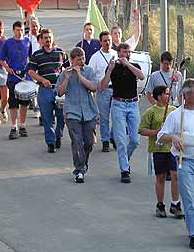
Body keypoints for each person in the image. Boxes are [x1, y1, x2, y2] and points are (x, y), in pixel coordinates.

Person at [157, 78, 194, 250]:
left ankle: (193, 219)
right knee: (189, 199)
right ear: (186, 96)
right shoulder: (176, 115)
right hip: (185, 162)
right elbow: (161, 136)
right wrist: (174, 137)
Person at [100, 43, 144, 183]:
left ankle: (126, 158)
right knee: (120, 139)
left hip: (132, 104)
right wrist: (110, 70)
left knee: (135, 139)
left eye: (129, 52)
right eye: (125, 52)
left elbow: (141, 77)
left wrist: (128, 64)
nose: (128, 54)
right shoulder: (113, 66)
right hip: (118, 104)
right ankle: (125, 170)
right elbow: (103, 86)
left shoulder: (135, 66)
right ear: (119, 53)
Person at [139, 85, 183, 218]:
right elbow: (142, 130)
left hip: (172, 149)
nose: (168, 96)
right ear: (159, 96)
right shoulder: (150, 112)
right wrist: (157, 132)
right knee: (161, 177)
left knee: (175, 176)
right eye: (166, 94)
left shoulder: (174, 110)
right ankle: (160, 204)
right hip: (158, 149)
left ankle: (176, 204)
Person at [56, 47, 98, 183]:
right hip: (72, 112)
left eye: (83, 58)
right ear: (72, 60)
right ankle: (79, 170)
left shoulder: (89, 71)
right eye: (78, 59)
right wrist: (67, 78)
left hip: (89, 112)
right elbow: (60, 92)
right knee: (77, 142)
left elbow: (93, 87)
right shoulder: (65, 73)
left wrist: (80, 75)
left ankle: (83, 163)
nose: (81, 61)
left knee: (89, 142)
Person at [28, 28, 69, 153]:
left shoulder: (61, 52)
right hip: (45, 90)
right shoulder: (36, 55)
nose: (48, 40)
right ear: (41, 40)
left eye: (49, 37)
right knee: (47, 118)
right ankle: (50, 143)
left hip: (59, 90)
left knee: (61, 116)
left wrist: (65, 82)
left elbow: (68, 69)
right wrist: (41, 79)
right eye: (45, 38)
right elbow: (31, 72)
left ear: (53, 38)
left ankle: (58, 136)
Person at [0, 21, 32, 140]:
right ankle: (14, 126)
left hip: (24, 77)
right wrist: (7, 68)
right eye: (17, 30)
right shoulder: (7, 43)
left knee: (24, 102)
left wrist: (30, 71)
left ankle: (23, 125)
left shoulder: (28, 41)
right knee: (13, 103)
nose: (20, 32)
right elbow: (0, 58)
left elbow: (31, 58)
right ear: (13, 30)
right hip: (12, 77)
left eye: (21, 30)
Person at [88, 31, 118, 152]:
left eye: (109, 40)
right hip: (103, 90)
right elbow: (91, 74)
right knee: (104, 117)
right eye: (105, 40)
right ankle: (105, 140)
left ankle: (114, 137)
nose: (107, 43)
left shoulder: (116, 54)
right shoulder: (95, 57)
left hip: (116, 89)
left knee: (117, 116)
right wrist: (95, 87)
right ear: (100, 42)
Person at [25, 16, 42, 123]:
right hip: (31, 66)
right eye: (33, 26)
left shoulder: (42, 38)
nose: (35, 28)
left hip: (42, 66)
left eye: (36, 26)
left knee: (39, 89)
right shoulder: (27, 38)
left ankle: (40, 110)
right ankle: (35, 106)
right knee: (33, 88)